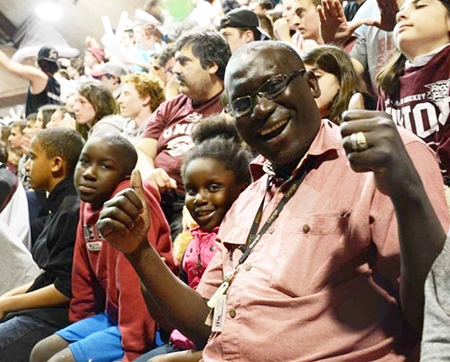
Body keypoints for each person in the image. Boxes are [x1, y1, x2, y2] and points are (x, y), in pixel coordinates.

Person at [97, 41, 450, 361]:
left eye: (273, 86)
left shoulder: (380, 160)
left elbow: (434, 317)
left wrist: (408, 192)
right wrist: (140, 252)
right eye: (243, 103)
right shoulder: (248, 199)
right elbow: (206, 324)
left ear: (311, 86)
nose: (262, 109)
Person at [31, 133, 177, 362]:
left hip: (151, 322)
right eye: (84, 161)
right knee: (41, 352)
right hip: (114, 315)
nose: (89, 173)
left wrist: (133, 352)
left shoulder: (130, 203)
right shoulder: (88, 201)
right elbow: (83, 276)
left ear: (124, 176)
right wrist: (80, 328)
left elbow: (134, 286)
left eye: (105, 166)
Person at [135, 116, 252, 362]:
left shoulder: (242, 244)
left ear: (243, 189)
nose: (198, 199)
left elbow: (235, 332)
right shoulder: (192, 240)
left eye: (212, 187)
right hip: (183, 338)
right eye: (191, 190)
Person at [136, 30, 231, 240]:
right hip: (154, 194)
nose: (175, 70)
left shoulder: (230, 106)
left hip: (195, 202)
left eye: (184, 62)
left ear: (212, 65)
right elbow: (142, 150)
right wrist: (149, 172)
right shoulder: (171, 106)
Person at [0, 128, 84, 361]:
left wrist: (8, 303)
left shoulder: (72, 210)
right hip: (40, 312)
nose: (26, 166)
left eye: (33, 157)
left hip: (55, 317)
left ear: (56, 164)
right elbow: (46, 276)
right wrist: (4, 301)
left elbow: (65, 289)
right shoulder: (58, 206)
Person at [377, 0, 450, 185]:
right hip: (405, 196)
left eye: (420, 6)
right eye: (400, 11)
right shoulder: (388, 85)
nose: (399, 15)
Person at [302, 45, 374, 124]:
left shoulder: (364, 115)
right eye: (302, 80)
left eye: (316, 77)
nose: (308, 85)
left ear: (341, 79)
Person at [0, 46, 61, 116]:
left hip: (38, 124)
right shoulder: (56, 85)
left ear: (38, 62)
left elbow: (9, 64)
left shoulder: (39, 77)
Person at [119, 72, 166, 145]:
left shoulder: (159, 134)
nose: (119, 100)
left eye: (126, 94)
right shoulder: (124, 132)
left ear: (145, 99)